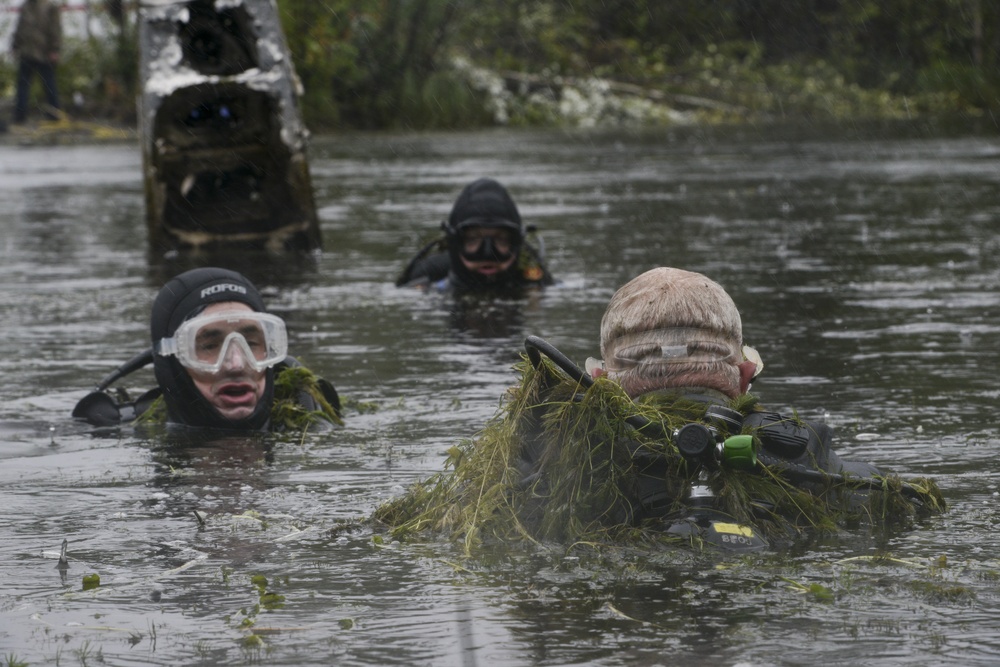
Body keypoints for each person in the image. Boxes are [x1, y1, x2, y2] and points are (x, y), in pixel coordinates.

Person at [375, 267, 943, 550]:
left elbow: (429, 533)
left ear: (599, 382)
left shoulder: (537, 476)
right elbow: (916, 507)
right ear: (743, 377)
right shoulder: (806, 466)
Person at [73, 267, 341, 431]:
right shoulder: (126, 435)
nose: (236, 364)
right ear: (171, 361)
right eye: (210, 345)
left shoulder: (308, 425)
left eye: (250, 343)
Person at [396, 178, 554, 292]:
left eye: (501, 240)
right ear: (455, 243)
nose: (487, 253)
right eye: (473, 239)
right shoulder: (427, 287)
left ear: (516, 243)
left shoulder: (537, 284)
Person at [11, 0, 62, 125]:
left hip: (44, 53)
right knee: (23, 84)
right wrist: (15, 45)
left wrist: (54, 49)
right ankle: (20, 115)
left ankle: (54, 114)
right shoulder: (26, 6)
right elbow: (20, 27)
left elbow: (55, 29)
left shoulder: (50, 7)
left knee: (49, 84)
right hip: (27, 52)